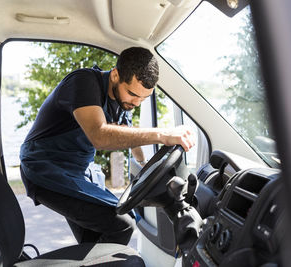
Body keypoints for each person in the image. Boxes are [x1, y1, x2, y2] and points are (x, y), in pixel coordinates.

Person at [19, 46, 195, 245]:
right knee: (122, 224)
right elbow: (99, 135)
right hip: (45, 166)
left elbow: (130, 134)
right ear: (115, 75)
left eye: (143, 98)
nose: (136, 103)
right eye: (132, 94)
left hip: (78, 171)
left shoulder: (122, 102)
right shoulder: (83, 82)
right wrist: (163, 134)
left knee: (93, 240)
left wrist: (143, 164)